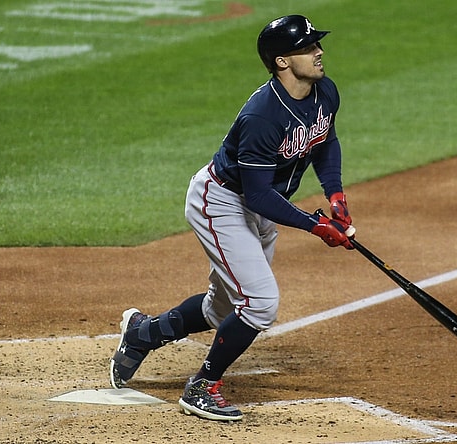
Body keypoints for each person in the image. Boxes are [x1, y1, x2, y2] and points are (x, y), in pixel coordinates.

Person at [108, 14, 355, 422]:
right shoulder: (263, 115)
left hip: (260, 205)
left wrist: (336, 194)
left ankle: (143, 333)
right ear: (281, 61)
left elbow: (324, 139)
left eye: (317, 44)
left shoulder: (324, 91)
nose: (319, 51)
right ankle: (203, 386)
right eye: (308, 47)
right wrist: (317, 226)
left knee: (224, 308)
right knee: (259, 303)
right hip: (221, 201)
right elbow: (257, 193)